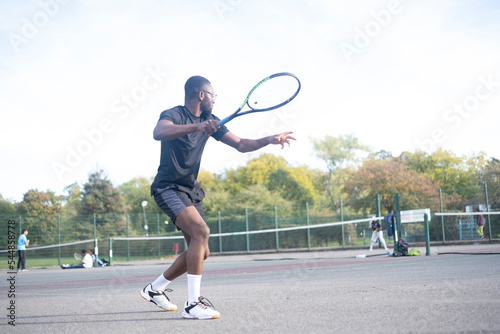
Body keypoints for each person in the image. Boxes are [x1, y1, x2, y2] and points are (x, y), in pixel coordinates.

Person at [140, 75, 296, 320]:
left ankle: (155, 288)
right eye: (213, 94)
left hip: (190, 190)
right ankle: (192, 305)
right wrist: (197, 127)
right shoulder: (175, 114)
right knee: (201, 233)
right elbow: (159, 132)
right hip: (168, 187)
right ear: (201, 94)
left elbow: (242, 144)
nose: (215, 99)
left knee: (201, 251)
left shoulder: (211, 120)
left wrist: (269, 139)